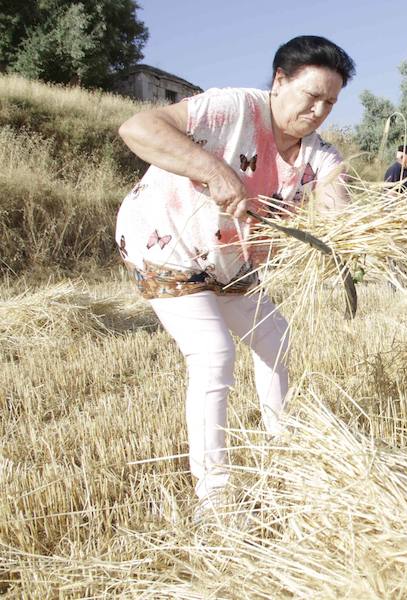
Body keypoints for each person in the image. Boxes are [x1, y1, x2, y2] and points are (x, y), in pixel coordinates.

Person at [115, 35, 356, 511]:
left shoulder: (318, 155)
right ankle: (216, 494)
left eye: (330, 103)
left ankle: (284, 446)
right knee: (213, 353)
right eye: (312, 96)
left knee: (274, 338)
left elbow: (335, 198)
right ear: (279, 80)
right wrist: (215, 170)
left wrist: (353, 229)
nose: (319, 111)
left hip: (233, 259)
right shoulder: (233, 108)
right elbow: (138, 127)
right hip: (167, 242)